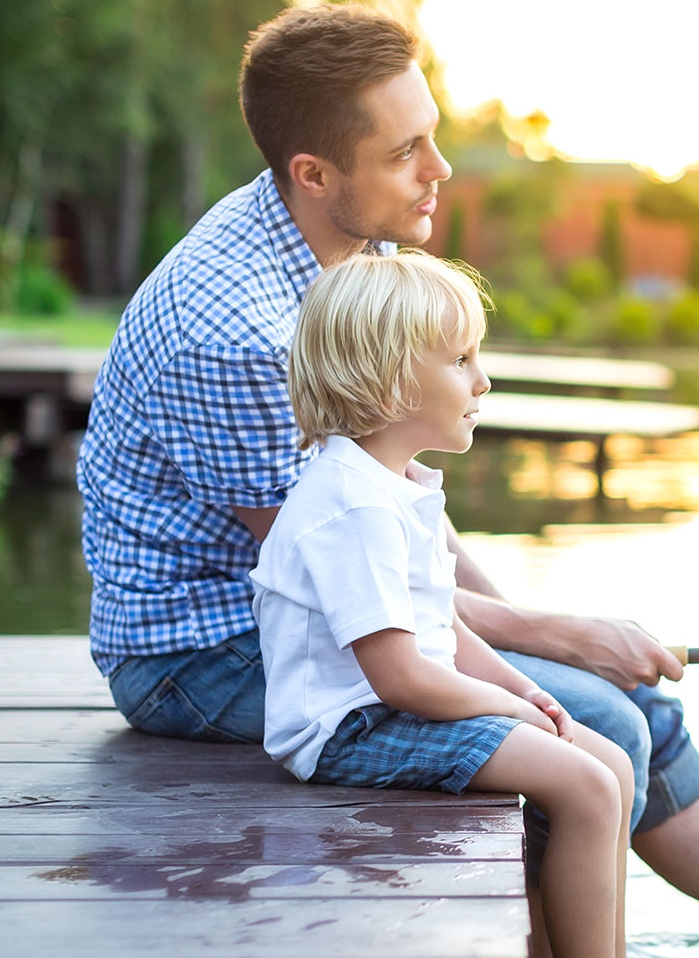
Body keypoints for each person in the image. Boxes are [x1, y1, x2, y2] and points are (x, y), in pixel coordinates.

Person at [75, 3, 699, 956]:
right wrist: (551, 639)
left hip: (338, 608)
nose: (438, 169)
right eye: (406, 151)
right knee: (596, 720)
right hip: (203, 650)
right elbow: (344, 574)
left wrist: (537, 631)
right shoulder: (235, 335)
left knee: (628, 705)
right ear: (314, 173)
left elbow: (399, 514)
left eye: (432, 137)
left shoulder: (358, 241)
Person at [256, 251, 632, 957]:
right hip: (350, 729)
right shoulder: (354, 505)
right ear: (391, 379)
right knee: (586, 786)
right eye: (461, 360)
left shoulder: (397, 484)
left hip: (397, 708)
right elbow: (400, 677)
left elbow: (445, 628)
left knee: (610, 765)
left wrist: (526, 689)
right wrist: (511, 709)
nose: (482, 380)